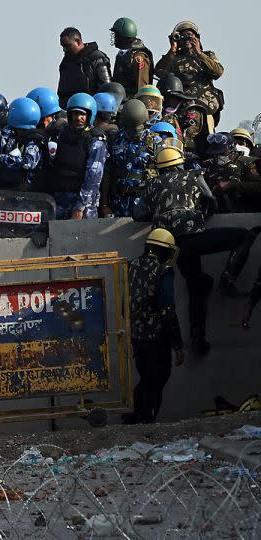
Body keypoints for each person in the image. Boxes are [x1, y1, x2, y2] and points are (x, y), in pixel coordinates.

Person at [139, 145, 259, 354]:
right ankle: (227, 280)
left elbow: (137, 213)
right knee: (244, 235)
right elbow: (211, 201)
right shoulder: (194, 175)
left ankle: (198, 339)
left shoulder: (151, 184)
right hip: (194, 239)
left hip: (169, 247)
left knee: (196, 285)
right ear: (180, 163)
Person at [123, 228, 183, 424]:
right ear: (165, 250)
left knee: (147, 378)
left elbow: (125, 304)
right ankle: (144, 420)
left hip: (136, 337)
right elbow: (167, 311)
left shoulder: (131, 266)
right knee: (157, 378)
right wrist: (177, 344)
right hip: (156, 338)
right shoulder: (162, 271)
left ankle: (134, 416)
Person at [45, 93, 106, 219]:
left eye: (82, 114)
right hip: (60, 199)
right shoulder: (63, 133)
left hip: (82, 203)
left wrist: (80, 207)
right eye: (75, 114)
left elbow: (93, 176)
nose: (78, 118)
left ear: (89, 115)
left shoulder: (96, 140)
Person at [155, 21, 224, 123]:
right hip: (178, 101)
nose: (187, 40)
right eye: (182, 36)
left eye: (190, 37)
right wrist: (172, 50)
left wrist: (199, 53)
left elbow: (218, 72)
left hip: (203, 102)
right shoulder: (173, 57)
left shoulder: (207, 55)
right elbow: (159, 72)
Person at [103, 99, 161, 217]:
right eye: (132, 129)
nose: (135, 132)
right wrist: (104, 205)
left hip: (145, 204)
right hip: (119, 204)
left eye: (138, 129)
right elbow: (106, 173)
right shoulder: (115, 140)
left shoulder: (155, 142)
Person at [201, 132, 261, 213]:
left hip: (245, 216)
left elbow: (258, 186)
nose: (218, 156)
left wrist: (231, 185)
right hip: (214, 216)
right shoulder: (208, 166)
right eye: (214, 154)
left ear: (232, 148)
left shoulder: (248, 163)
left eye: (221, 153)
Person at [0, 97, 47, 191]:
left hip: (27, 194)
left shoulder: (33, 140)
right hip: (9, 191)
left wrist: (1, 158)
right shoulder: (11, 134)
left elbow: (28, 162)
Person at [57, 27, 111, 107]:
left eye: (67, 46)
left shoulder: (97, 59)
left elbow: (107, 91)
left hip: (93, 109)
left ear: (77, 42)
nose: (64, 49)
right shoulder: (66, 63)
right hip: (70, 111)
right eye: (63, 46)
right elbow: (62, 93)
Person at [110, 17, 153, 98]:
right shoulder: (122, 55)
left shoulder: (139, 57)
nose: (114, 38)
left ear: (123, 37)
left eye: (116, 35)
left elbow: (141, 87)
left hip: (132, 104)